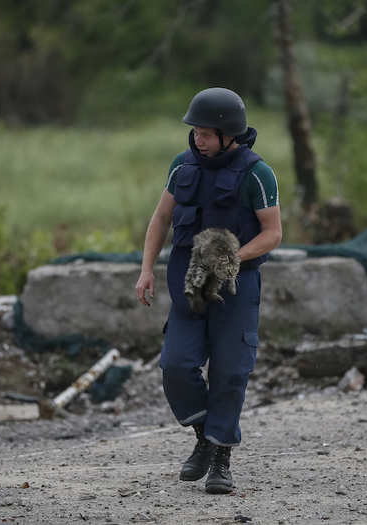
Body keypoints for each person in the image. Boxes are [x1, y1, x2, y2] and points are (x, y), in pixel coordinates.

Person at [135, 87, 281, 494]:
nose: (197, 138)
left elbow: (274, 233)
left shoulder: (257, 173)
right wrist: (146, 269)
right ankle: (204, 435)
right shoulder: (182, 168)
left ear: (228, 134)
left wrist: (234, 258)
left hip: (236, 286)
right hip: (188, 285)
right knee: (176, 366)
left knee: (231, 372)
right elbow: (161, 218)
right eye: (195, 131)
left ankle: (220, 457)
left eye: (205, 132)